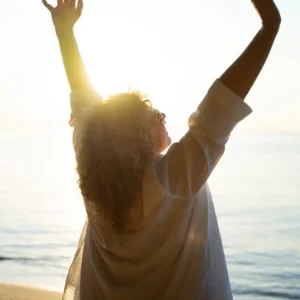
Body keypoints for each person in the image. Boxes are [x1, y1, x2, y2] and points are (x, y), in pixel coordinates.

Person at [42, 0, 281, 299]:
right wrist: (270, 25)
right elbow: (221, 104)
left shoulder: (95, 180)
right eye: (155, 115)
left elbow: (85, 101)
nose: (164, 115)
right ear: (136, 136)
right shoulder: (175, 180)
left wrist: (64, 34)